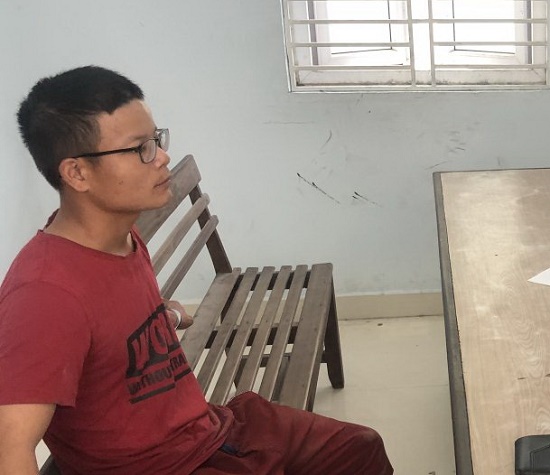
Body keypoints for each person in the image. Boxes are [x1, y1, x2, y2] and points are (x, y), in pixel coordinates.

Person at [0, 66, 393, 475]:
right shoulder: (44, 294)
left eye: (156, 140)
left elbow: (113, 332)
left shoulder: (121, 236)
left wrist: (166, 315)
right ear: (77, 173)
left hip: (207, 432)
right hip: (159, 467)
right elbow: (10, 447)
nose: (162, 157)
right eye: (140, 149)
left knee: (360, 449)